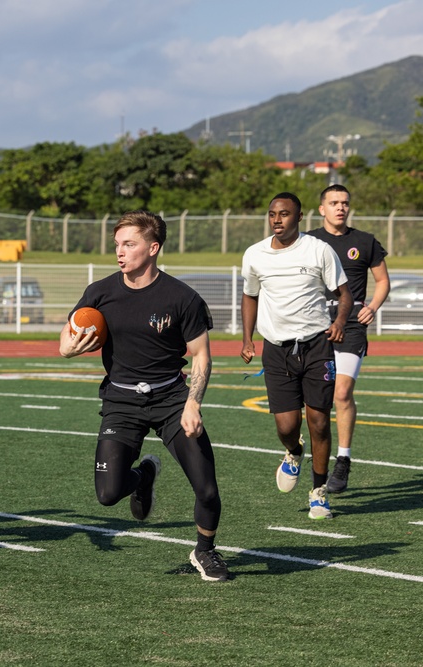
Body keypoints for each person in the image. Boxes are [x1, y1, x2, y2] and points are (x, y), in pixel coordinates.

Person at [61, 210, 228, 582]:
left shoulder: (182, 298)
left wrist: (193, 403)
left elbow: (201, 355)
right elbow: (68, 333)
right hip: (121, 401)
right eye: (117, 244)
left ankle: (205, 550)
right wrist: (68, 347)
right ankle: (144, 475)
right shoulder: (100, 292)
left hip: (171, 399)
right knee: (108, 494)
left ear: (153, 248)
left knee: (206, 488)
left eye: (129, 244)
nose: (120, 252)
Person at [241, 192, 352, 520]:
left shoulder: (319, 249)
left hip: (317, 346)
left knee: (319, 421)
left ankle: (319, 493)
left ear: (299, 217)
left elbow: (344, 294)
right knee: (287, 425)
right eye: (272, 214)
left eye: (284, 214)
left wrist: (340, 322)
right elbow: (250, 295)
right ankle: (294, 450)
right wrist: (247, 338)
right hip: (277, 350)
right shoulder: (255, 254)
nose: (277, 219)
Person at [307, 184, 390, 493]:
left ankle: (342, 460)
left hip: (352, 324)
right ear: (322, 209)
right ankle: (305, 450)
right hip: (314, 323)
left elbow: (382, 281)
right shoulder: (308, 241)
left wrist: (372, 307)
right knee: (314, 397)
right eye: (334, 203)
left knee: (341, 393)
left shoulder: (365, 242)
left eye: (344, 202)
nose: (340, 207)